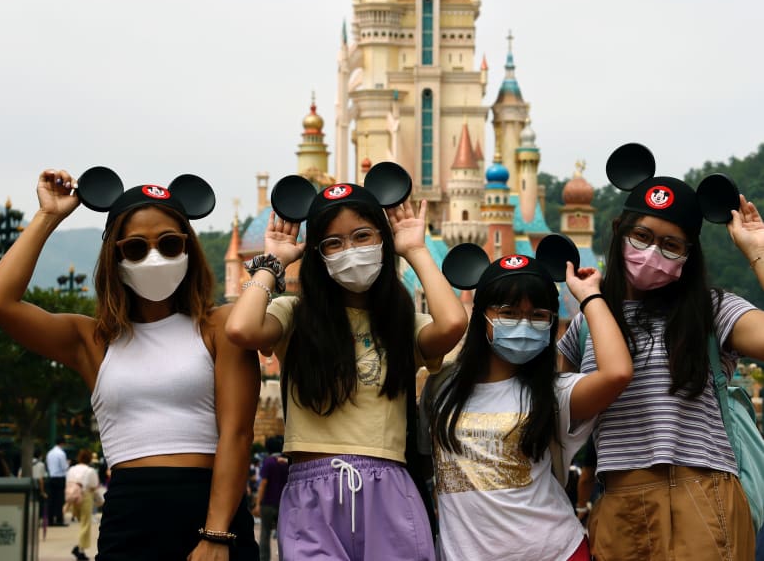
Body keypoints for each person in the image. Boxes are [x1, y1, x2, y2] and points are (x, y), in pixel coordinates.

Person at [0, 167, 260, 561]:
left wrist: (216, 534)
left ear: (189, 249)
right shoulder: (93, 341)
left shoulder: (220, 326)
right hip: (129, 518)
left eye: (170, 244)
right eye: (136, 248)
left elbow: (238, 434)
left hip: (213, 514)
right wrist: (49, 216)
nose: (154, 257)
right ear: (115, 255)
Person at [226, 166, 468, 561]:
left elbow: (453, 323)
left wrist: (416, 250)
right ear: (318, 255)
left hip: (388, 489)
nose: (350, 250)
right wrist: (273, 262)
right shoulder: (294, 316)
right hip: (310, 494)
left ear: (382, 240)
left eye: (362, 236)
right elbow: (241, 328)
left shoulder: (401, 324)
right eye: (333, 243)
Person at [558, 144, 764, 560]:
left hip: (701, 494)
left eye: (672, 245)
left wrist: (757, 249)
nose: (652, 252)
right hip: (617, 503)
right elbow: (544, 403)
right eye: (642, 236)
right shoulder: (588, 321)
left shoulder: (712, 310)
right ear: (619, 231)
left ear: (689, 255)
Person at [423, 239, 632, 560]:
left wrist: (590, 295)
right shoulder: (442, 389)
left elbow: (617, 372)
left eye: (537, 315)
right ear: (482, 316)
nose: (523, 324)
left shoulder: (554, 393)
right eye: (508, 313)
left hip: (555, 551)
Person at [254, 436, 289, 561]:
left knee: (265, 533)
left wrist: (258, 503)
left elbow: (263, 483)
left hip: (268, 502)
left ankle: (264, 558)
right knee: (283, 534)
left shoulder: (268, 462)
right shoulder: (285, 462)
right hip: (283, 503)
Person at [66, 448, 100, 560]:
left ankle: (81, 549)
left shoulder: (71, 469)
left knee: (81, 523)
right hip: (85, 497)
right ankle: (80, 549)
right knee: (85, 524)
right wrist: (100, 500)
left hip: (73, 497)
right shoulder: (90, 471)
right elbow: (94, 487)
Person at [46, 438, 69, 526]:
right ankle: (59, 520)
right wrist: (68, 463)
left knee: (51, 500)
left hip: (51, 477)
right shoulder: (61, 453)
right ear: (62, 443)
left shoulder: (49, 453)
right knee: (59, 500)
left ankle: (50, 520)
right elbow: (64, 467)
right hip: (60, 478)